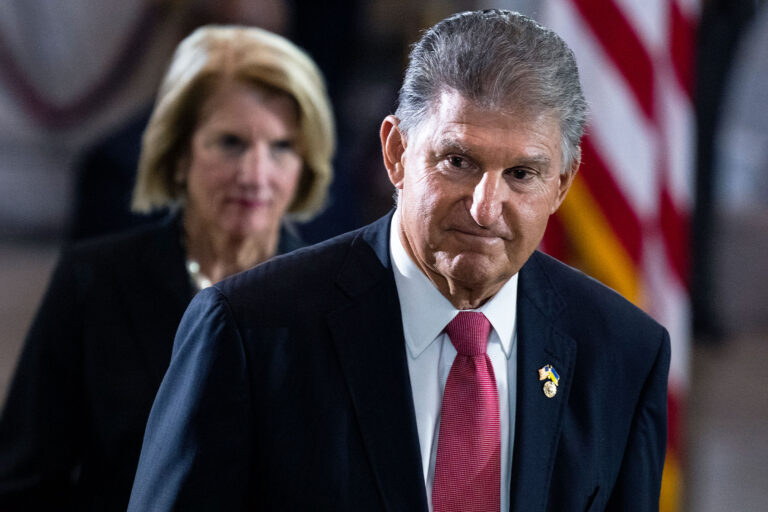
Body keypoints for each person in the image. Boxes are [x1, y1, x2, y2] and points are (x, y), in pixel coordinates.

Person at [129, 10, 669, 512]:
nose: (485, 208)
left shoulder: (623, 353)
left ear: (562, 184)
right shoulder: (249, 331)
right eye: (458, 161)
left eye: (521, 174)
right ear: (396, 154)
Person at [0, 25, 334, 511]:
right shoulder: (92, 283)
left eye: (281, 147)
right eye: (230, 143)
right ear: (178, 155)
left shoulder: (335, 296)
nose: (256, 175)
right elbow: (22, 483)